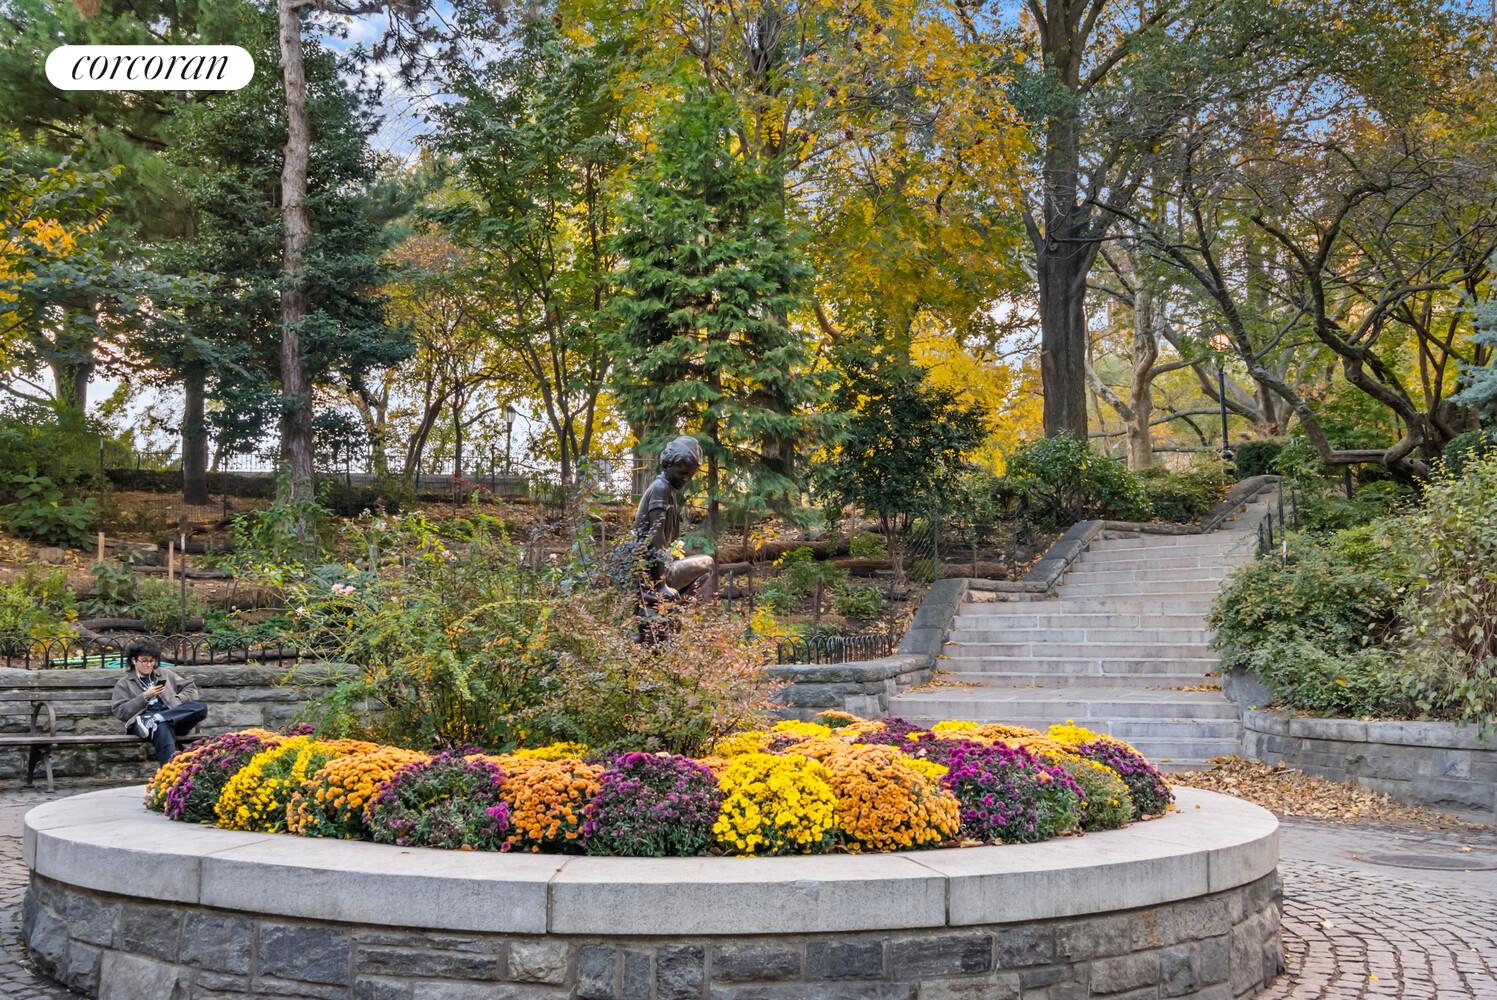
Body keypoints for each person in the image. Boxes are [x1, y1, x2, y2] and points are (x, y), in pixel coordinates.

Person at [109, 641, 208, 764]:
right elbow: (120, 711)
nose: (149, 664)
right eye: (144, 661)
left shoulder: (164, 674)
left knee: (201, 707)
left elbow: (190, 688)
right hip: (142, 724)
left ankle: (159, 718)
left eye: (152, 660)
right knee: (161, 727)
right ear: (134, 660)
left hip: (173, 718)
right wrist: (144, 697)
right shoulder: (125, 683)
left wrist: (178, 700)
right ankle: (171, 775)